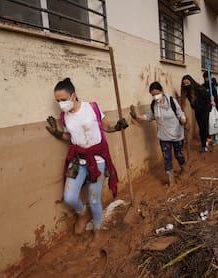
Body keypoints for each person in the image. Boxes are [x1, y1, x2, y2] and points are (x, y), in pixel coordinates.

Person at [45, 78, 128, 240]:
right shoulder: (64, 117)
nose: (61, 103)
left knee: (94, 198)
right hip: (78, 159)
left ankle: (98, 227)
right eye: (58, 101)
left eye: (63, 99)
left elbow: (106, 127)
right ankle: (82, 214)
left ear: (73, 95)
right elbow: (71, 136)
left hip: (97, 160)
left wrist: (117, 127)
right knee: (69, 197)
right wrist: (58, 133)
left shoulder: (92, 108)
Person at [130, 81, 187, 185]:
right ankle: (171, 181)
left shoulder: (171, 101)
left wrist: (183, 118)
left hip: (177, 134)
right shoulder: (154, 105)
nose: (155, 97)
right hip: (164, 136)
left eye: (157, 94)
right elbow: (150, 116)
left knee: (178, 155)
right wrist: (138, 116)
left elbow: (179, 112)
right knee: (167, 158)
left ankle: (184, 169)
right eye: (153, 95)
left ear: (161, 91)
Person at [180, 74, 210, 152]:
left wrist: (210, 104)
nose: (186, 85)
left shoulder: (199, 88)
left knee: (203, 127)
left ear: (191, 81)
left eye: (187, 83)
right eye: (185, 84)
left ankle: (203, 145)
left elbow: (207, 97)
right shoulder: (185, 91)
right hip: (197, 110)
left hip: (204, 109)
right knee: (201, 126)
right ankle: (206, 138)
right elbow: (183, 102)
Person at [203, 72, 218, 145]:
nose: (207, 79)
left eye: (208, 77)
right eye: (206, 78)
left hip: (214, 108)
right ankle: (208, 138)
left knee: (214, 122)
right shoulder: (203, 87)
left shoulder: (215, 87)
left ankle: (216, 137)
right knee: (208, 123)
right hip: (206, 108)